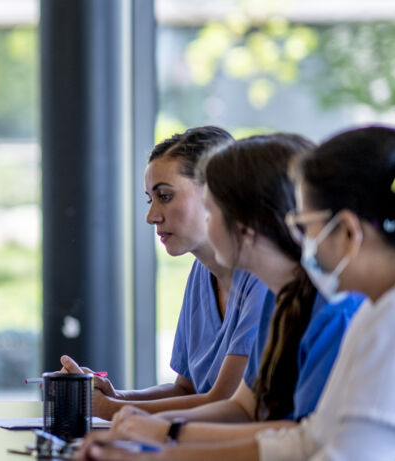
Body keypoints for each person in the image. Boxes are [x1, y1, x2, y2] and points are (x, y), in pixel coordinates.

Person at [78, 126, 395, 460]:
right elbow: (306, 438)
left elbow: (328, 452)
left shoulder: (389, 318)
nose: (302, 239)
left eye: (304, 226)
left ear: (348, 233)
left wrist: (161, 441)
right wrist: (164, 444)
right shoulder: (372, 311)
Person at [101, 134, 362, 446]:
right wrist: (139, 423)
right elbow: (243, 407)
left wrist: (161, 433)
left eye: (211, 211)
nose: (151, 216)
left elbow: (307, 441)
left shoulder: (333, 310)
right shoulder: (282, 300)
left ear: (245, 224)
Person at [61, 126, 272, 420]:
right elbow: (186, 390)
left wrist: (108, 409)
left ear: (218, 192)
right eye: (150, 199)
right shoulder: (201, 273)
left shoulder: (264, 278)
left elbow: (225, 402)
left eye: (166, 196)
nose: (151, 216)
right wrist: (115, 396)